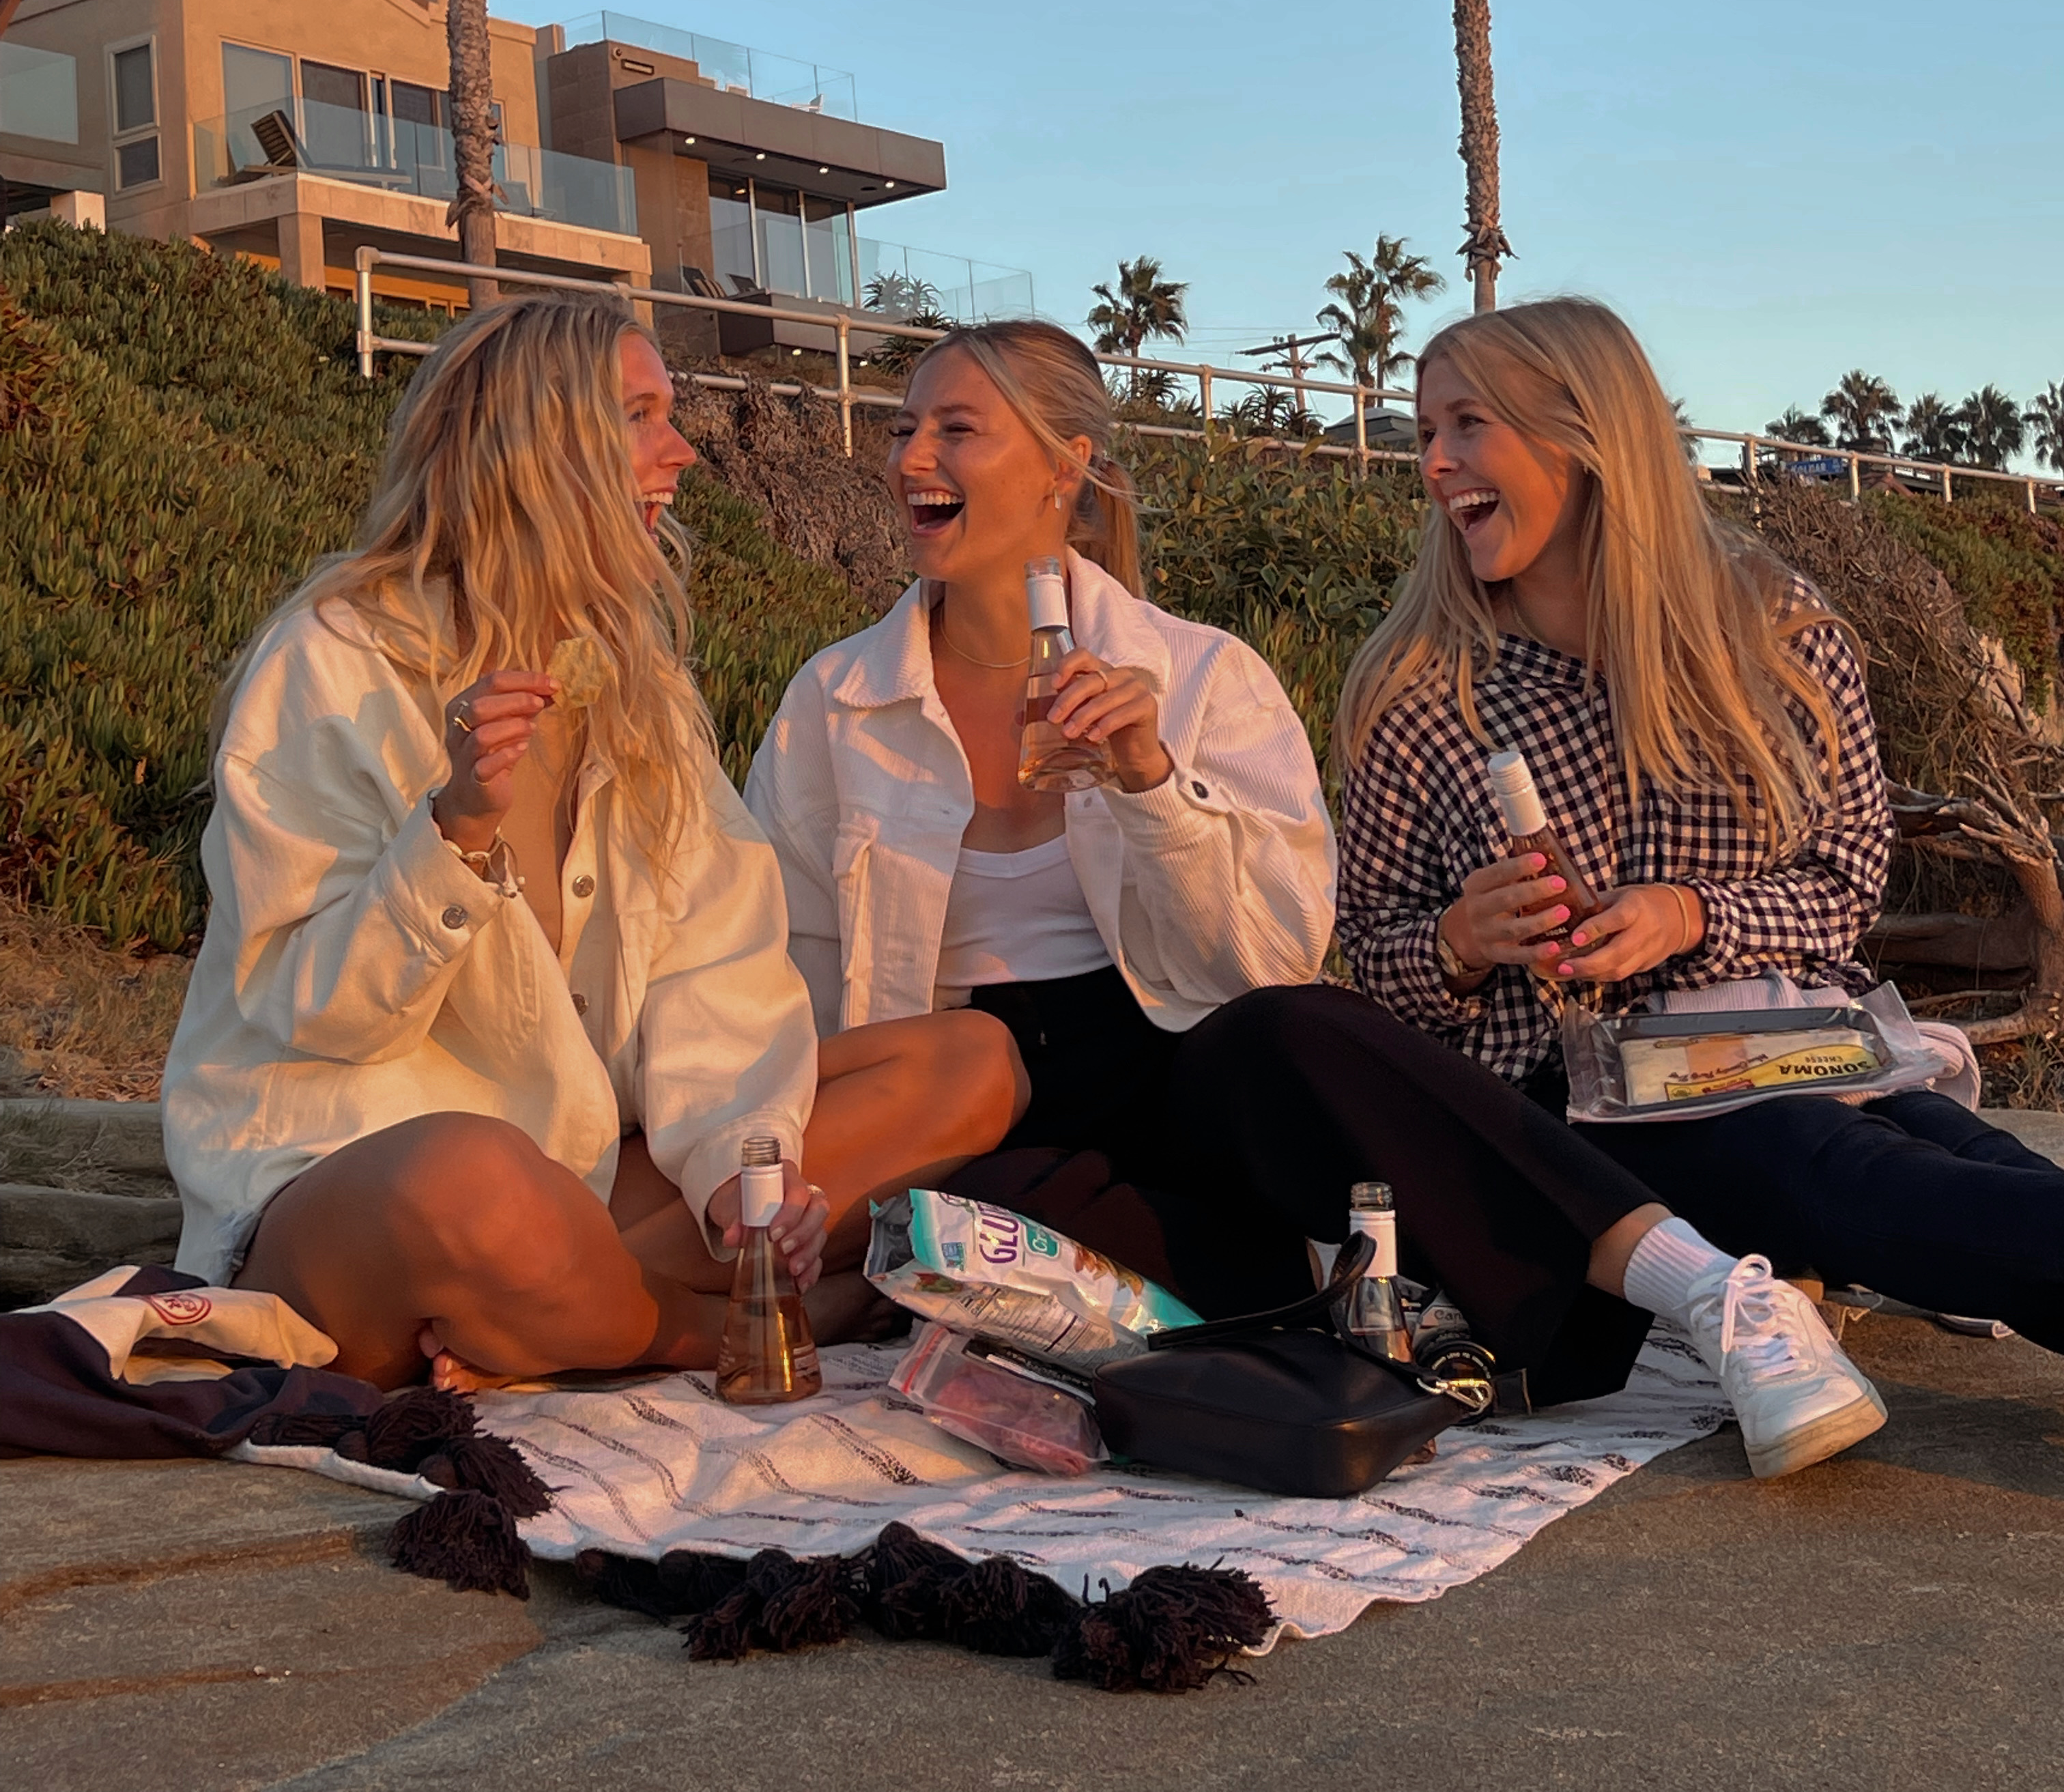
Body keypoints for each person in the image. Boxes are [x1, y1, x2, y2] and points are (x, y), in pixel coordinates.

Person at [747, 319, 1876, 1468]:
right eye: (901, 429)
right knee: (974, 1233)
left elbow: (1273, 962)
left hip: (1179, 1060)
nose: (910, 459)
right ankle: (1335, 1300)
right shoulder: (834, 703)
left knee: (1298, 1030)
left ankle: (1710, 1294)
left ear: (1066, 462)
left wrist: (1150, 785)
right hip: (975, 1107)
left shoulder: (1200, 675)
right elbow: (780, 973)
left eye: (955, 429)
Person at [163, 296, 1020, 1392]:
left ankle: (545, 1313)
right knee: (468, 1181)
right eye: (642, 416)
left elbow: (716, 967)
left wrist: (735, 1174)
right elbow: (316, 1015)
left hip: (578, 1176)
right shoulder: (334, 663)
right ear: (537, 447)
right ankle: (714, 1331)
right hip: (355, 1187)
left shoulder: (631, 682)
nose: (684, 451)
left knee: (967, 1065)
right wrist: (453, 834)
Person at [1330, 291, 2064, 1377]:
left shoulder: (1771, 631)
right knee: (1849, 1177)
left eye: (1468, 423)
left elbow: (1850, 877)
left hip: (1803, 1040)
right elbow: (1373, 953)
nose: (1434, 461)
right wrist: (1462, 941)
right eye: (1428, 430)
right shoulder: (1419, 690)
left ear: (1586, 437)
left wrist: (1687, 915)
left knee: (1976, 1164)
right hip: (1584, 1101)